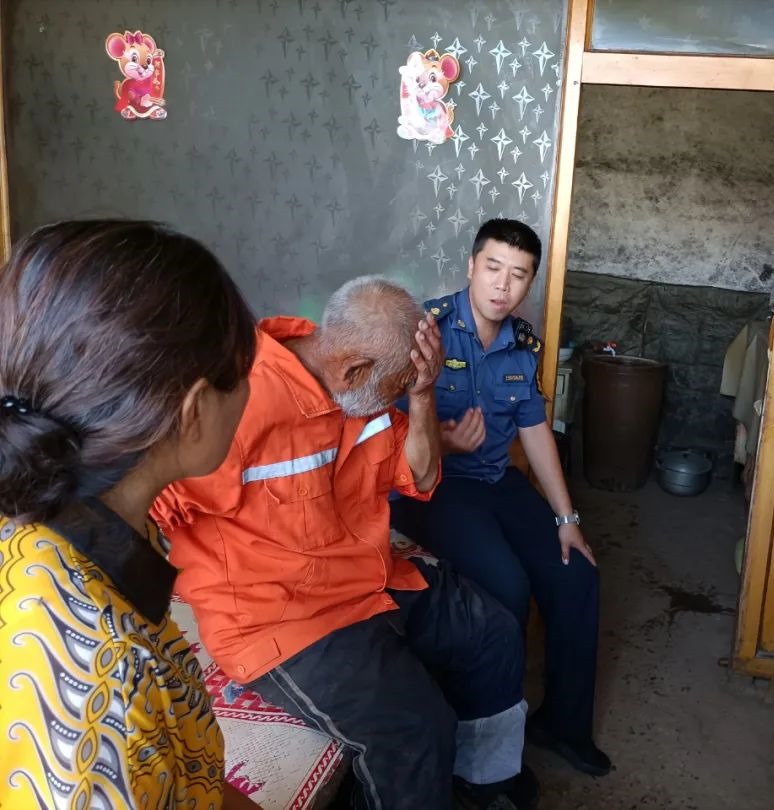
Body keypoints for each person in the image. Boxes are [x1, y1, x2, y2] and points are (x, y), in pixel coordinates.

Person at [151, 276, 537, 810]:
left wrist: (421, 393)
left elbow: (422, 475)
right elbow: (150, 502)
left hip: (369, 581)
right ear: (354, 370)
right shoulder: (235, 400)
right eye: (397, 385)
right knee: (414, 730)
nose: (396, 396)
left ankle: (483, 785)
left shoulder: (357, 387)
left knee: (493, 632)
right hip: (284, 619)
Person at [0, 220, 259, 809]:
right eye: (245, 374)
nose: (251, 394)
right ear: (194, 410)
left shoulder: (67, 522)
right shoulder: (98, 681)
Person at [390, 219, 611, 776]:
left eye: (518, 275)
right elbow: (382, 434)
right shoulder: (425, 331)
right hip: (432, 489)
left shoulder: (522, 344)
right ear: (471, 266)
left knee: (577, 572)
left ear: (529, 283)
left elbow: (534, 431)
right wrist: (442, 442)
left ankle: (563, 725)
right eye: (492, 268)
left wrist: (567, 518)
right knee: (506, 585)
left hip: (495, 481)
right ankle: (490, 755)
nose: (502, 285)